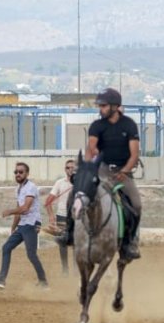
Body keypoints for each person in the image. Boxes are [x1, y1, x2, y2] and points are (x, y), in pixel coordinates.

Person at [56, 88, 143, 260]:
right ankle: (69, 232)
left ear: (115, 106)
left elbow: (134, 155)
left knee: (136, 204)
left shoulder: (129, 125)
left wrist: (124, 171)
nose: (100, 109)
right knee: (76, 194)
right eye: (100, 105)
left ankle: (129, 242)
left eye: (103, 105)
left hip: (123, 173)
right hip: (101, 170)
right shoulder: (97, 126)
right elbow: (91, 148)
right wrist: (88, 168)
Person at [0, 162, 49, 289]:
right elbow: (19, 209)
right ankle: (1, 279)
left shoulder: (31, 187)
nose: (18, 174)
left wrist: (9, 212)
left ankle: (43, 282)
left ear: (27, 174)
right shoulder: (18, 189)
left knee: (31, 254)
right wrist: (13, 227)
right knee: (6, 247)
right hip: (23, 225)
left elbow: (25, 208)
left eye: (21, 172)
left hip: (31, 224)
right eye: (16, 172)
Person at [42, 158, 76, 275]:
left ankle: (77, 270)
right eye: (68, 167)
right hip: (62, 217)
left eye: (73, 167)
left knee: (77, 244)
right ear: (65, 170)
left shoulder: (81, 182)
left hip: (77, 218)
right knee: (63, 243)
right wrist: (51, 216)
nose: (70, 169)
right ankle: (65, 269)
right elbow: (48, 202)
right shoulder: (60, 183)